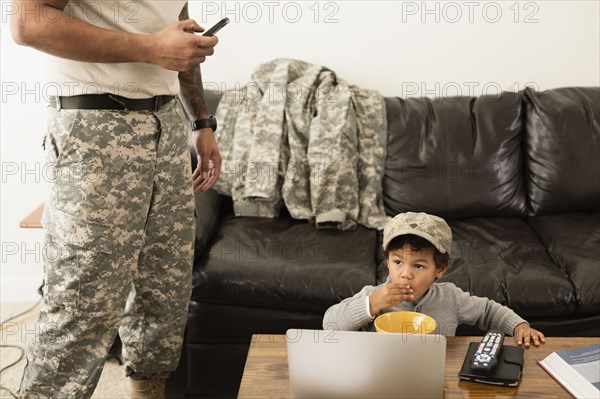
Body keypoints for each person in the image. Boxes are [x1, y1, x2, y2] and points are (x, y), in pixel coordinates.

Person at [10, 1, 222, 398]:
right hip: (96, 127)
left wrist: (202, 121)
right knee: (82, 303)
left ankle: (148, 390)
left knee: (165, 290)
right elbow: (28, 23)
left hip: (167, 125)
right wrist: (148, 48)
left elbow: (177, 30)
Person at [323, 212, 546, 348]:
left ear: (440, 269)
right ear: (388, 261)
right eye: (398, 262)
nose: (405, 273)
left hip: (433, 377)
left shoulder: (451, 297)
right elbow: (330, 324)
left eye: (418, 265)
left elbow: (489, 311)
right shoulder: (374, 296)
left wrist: (519, 325)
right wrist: (370, 305)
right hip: (381, 377)